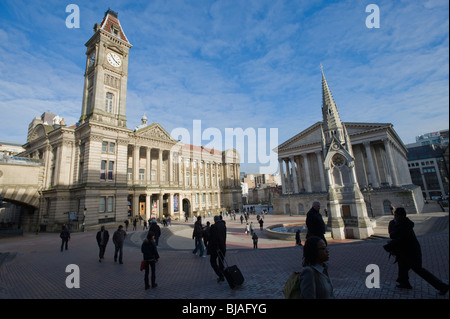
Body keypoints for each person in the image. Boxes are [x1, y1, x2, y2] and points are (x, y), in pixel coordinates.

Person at [387, 207, 449, 295]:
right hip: (403, 252)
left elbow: (399, 237)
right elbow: (393, 235)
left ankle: (442, 286)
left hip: (411, 252)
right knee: (402, 267)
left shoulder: (406, 224)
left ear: (401, 216)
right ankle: (404, 283)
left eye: (396, 215)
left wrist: (389, 245)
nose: (395, 217)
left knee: (419, 270)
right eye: (395, 215)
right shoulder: (396, 223)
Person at [208, 215, 227, 283]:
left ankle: (220, 275)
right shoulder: (223, 225)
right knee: (221, 262)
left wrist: (217, 248)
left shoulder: (214, 227)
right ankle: (222, 275)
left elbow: (214, 238)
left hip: (216, 248)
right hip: (223, 247)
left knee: (212, 261)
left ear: (214, 220)